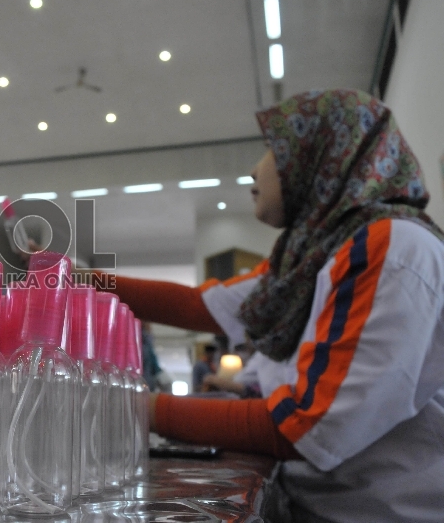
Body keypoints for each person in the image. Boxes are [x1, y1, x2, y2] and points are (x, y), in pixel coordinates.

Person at [96, 89, 444, 522]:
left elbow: (304, 427)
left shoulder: (391, 249)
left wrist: (138, 409)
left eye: (272, 151)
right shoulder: (315, 255)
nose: (253, 171)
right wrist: (76, 280)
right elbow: (200, 305)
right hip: (317, 503)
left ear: (322, 157)